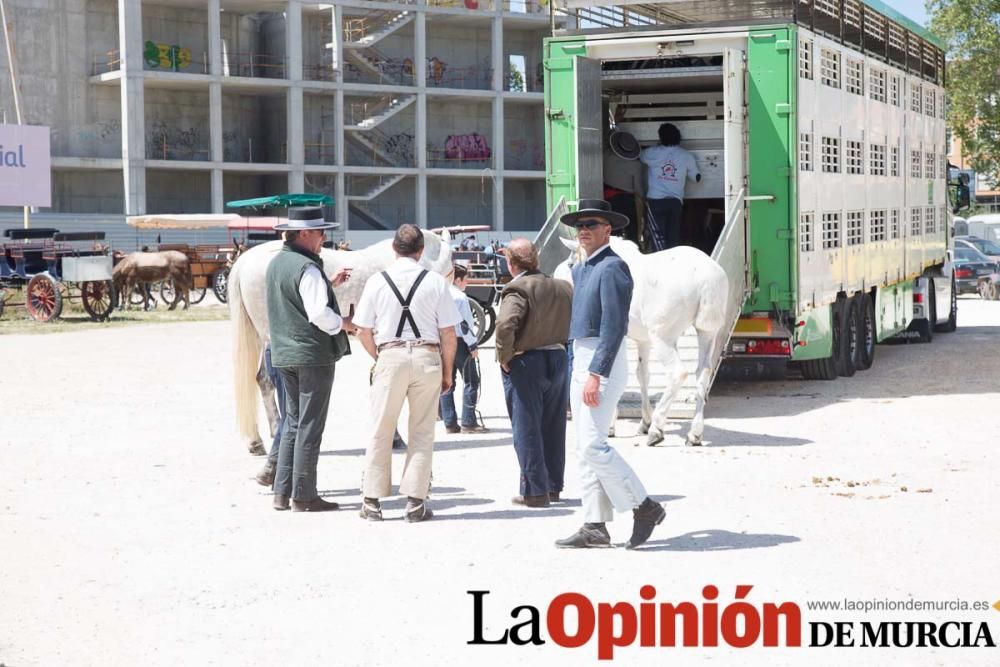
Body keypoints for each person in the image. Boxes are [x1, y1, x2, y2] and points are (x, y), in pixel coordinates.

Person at [556, 199, 665, 549]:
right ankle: (594, 524)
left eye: (591, 224)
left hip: (601, 358)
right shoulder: (581, 268)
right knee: (584, 446)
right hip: (581, 354)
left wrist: (596, 373)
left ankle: (644, 505)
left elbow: (614, 326)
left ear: (608, 230)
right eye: (579, 225)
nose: (583, 230)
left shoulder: (613, 267)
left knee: (593, 445)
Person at [353, 224, 460, 523]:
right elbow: (449, 332)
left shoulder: (377, 281)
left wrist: (380, 357)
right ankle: (415, 501)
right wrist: (448, 371)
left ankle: (372, 501)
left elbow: (362, 330)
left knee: (381, 429)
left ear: (393, 248)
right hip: (426, 356)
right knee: (422, 430)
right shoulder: (435, 281)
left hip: (390, 354)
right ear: (421, 250)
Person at [266, 206, 353, 512]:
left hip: (283, 353)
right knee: (310, 425)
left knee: (292, 421)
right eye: (319, 233)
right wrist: (346, 325)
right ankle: (304, 494)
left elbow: (298, 300)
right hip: (311, 355)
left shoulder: (278, 263)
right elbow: (318, 314)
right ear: (304, 233)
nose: (323, 238)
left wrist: (329, 283)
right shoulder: (308, 268)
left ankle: (282, 491)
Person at [496, 239, 573, 508]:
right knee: (554, 426)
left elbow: (506, 324)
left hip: (527, 361)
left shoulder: (517, 287)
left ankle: (534, 491)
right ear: (536, 259)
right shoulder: (563, 287)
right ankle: (553, 486)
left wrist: (503, 357)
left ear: (511, 262)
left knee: (527, 427)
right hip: (559, 358)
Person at [640, 122, 701, 251]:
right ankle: (673, 264)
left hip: (655, 201)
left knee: (657, 237)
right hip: (675, 202)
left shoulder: (651, 152)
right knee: (673, 236)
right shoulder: (686, 156)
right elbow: (696, 178)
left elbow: (638, 155)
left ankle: (660, 266)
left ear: (660, 137)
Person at [440, 263, 486, 434]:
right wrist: (473, 345)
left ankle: (449, 422)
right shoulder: (460, 297)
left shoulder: (440, 294)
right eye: (465, 279)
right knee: (471, 380)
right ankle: (468, 420)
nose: (467, 283)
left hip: (441, 342)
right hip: (459, 342)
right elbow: (465, 324)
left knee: (447, 381)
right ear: (457, 279)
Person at [253, 343, 286, 487]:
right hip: (294, 351)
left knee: (291, 416)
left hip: (275, 348)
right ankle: (272, 467)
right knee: (295, 417)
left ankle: (282, 488)